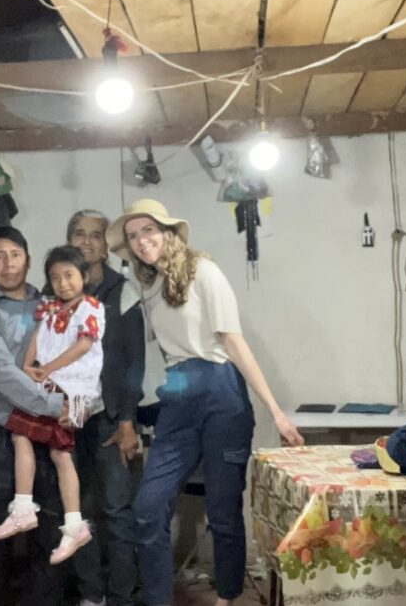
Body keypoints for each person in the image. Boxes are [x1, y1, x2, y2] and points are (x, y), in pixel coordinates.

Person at [106, 199, 304, 606]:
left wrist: (276, 411)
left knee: (223, 509)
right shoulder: (144, 286)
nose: (141, 241)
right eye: (132, 236)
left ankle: (228, 595)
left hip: (221, 391)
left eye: (148, 231)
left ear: (167, 231)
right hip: (179, 397)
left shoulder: (203, 271)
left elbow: (233, 341)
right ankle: (158, 600)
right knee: (148, 505)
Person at [0, 226, 71, 606]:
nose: (8, 263)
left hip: (48, 435)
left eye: (15, 254)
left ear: (27, 257)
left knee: (52, 531)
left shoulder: (55, 307)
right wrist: (57, 406)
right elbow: (3, 374)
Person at [0, 245, 104, 565]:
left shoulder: (91, 307)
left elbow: (83, 345)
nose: (63, 283)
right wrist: (27, 366)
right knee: (21, 435)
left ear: (84, 275)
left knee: (61, 453)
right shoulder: (50, 308)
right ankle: (27, 508)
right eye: (55, 277)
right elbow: (37, 337)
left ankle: (73, 523)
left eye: (69, 275)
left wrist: (47, 368)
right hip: (48, 385)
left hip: (74, 390)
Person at [67, 209, 145, 606]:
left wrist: (129, 419)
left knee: (116, 510)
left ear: (105, 245)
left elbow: (135, 361)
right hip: (70, 421)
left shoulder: (123, 291)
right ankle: (90, 593)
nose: (86, 242)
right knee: (77, 512)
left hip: (112, 419)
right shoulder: (59, 291)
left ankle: (120, 595)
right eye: (78, 234)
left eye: (95, 235)